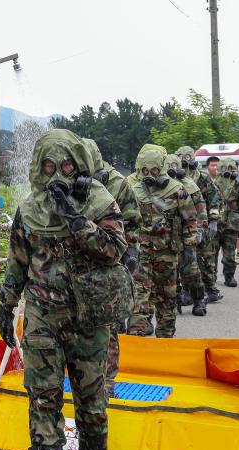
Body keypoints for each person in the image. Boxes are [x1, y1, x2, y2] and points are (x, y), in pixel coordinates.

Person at [0, 129, 128, 450]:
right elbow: (17, 261)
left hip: (89, 318)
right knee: (42, 399)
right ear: (38, 168)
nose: (57, 175)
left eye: (66, 167)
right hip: (43, 317)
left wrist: (74, 218)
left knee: (92, 403)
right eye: (49, 167)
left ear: (80, 165)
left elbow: (114, 249)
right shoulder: (29, 209)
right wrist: (7, 304)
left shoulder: (100, 202)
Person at [84, 138, 140, 400]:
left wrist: (129, 253)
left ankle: (106, 380)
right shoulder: (65, 179)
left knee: (108, 325)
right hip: (77, 266)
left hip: (109, 260)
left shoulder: (117, 183)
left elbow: (132, 221)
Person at [127, 145, 197, 338]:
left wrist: (189, 249)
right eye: (145, 171)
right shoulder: (133, 191)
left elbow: (190, 220)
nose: (150, 174)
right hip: (141, 253)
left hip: (167, 253)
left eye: (155, 170)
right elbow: (126, 221)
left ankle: (165, 340)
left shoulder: (177, 190)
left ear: (163, 168)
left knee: (167, 297)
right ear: (140, 170)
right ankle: (137, 338)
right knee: (139, 295)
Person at [175, 146, 223, 303]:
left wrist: (213, 220)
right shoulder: (174, 179)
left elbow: (214, 199)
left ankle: (211, 289)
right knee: (187, 260)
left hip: (202, 223)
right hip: (184, 224)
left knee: (205, 258)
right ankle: (188, 292)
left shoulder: (203, 178)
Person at [164, 153, 207, 316]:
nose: (171, 169)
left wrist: (201, 228)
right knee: (169, 272)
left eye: (174, 166)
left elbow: (200, 207)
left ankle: (199, 301)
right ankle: (174, 301)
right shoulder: (159, 186)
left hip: (186, 234)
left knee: (191, 270)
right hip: (165, 237)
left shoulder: (188, 184)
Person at [213, 158, 239, 287]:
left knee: (230, 252)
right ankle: (210, 276)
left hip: (231, 224)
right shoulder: (211, 185)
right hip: (214, 223)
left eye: (232, 169)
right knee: (211, 252)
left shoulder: (238, 186)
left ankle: (229, 276)